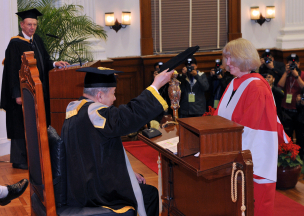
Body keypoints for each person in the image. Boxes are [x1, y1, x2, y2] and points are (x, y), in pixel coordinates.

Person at [61, 67, 174, 216]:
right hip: (96, 192)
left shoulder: (75, 110)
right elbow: (128, 116)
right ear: (100, 95)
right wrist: (155, 86)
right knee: (151, 195)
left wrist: (128, 172)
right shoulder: (95, 113)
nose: (114, 98)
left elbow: (93, 153)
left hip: (80, 185)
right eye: (113, 93)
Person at [213, 38, 290, 216]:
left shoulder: (256, 85)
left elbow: (249, 128)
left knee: (256, 207)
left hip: (254, 157)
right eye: (226, 58)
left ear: (244, 58)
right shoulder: (234, 82)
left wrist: (224, 152)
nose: (227, 63)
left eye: (231, 58)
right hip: (235, 152)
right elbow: (219, 117)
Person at [0, 8, 69, 170]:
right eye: (29, 24)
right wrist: (17, 94)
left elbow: (43, 60)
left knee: (34, 123)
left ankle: (34, 156)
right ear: (22, 25)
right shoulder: (15, 44)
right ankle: (19, 160)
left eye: (35, 24)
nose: (32, 27)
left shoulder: (36, 39)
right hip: (22, 92)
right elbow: (12, 71)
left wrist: (54, 64)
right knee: (19, 124)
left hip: (37, 90)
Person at [277, 54, 304, 159]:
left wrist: (296, 76)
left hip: (299, 110)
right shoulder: (286, 74)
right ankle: (288, 157)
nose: (293, 65)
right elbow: (279, 86)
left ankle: (301, 157)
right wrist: (286, 74)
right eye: (290, 63)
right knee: (287, 136)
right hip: (286, 110)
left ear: (299, 64)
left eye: (295, 63)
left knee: (300, 136)